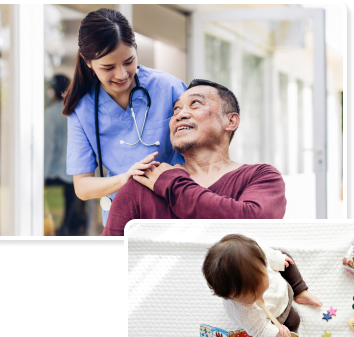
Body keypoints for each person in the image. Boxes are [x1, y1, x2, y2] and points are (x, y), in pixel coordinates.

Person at [102, 80, 287, 235]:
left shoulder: (261, 176)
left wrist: (172, 185)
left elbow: (254, 227)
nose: (179, 115)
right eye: (176, 109)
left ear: (230, 121)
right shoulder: (144, 184)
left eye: (195, 104)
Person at [63, 8, 187, 229]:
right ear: (87, 62)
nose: (121, 74)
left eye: (128, 61)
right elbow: (82, 187)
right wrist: (125, 178)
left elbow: (203, 152)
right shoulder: (81, 110)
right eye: (108, 67)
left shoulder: (168, 88)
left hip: (176, 209)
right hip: (123, 219)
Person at [202, 234, 322, 337]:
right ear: (230, 298)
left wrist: (277, 260)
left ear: (262, 263)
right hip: (276, 312)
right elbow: (261, 330)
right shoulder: (242, 313)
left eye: (263, 289)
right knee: (294, 321)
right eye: (252, 300)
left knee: (286, 259)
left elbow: (269, 254)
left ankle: (300, 291)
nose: (261, 297)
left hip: (282, 286)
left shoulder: (257, 254)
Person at [45, 74, 87, 236]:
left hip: (57, 172)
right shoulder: (77, 109)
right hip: (77, 170)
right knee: (72, 212)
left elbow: (49, 147)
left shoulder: (50, 114)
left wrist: (43, 173)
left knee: (64, 220)